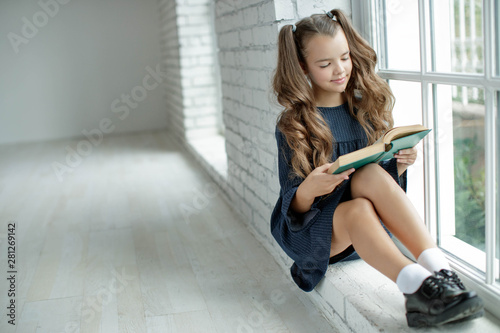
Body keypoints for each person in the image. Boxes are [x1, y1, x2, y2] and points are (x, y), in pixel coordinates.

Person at [270, 9, 484, 327]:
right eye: (325, 64)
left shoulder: (364, 108)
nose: (340, 70)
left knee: (371, 176)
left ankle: (440, 273)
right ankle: (416, 287)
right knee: (354, 211)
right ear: (303, 67)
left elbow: (378, 187)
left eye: (344, 57)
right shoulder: (295, 124)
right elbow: (293, 207)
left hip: (366, 231)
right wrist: (309, 189)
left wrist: (399, 164)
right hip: (319, 234)